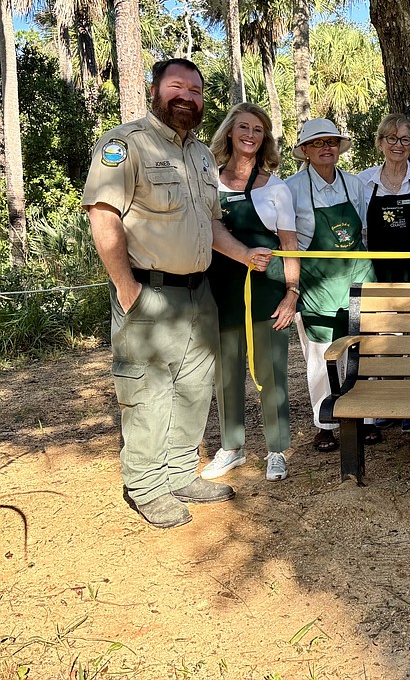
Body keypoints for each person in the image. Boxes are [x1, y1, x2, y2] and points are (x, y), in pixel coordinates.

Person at [83, 58, 273, 529]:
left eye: (195, 89)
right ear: (155, 90)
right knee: (146, 393)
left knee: (192, 391)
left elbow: (210, 226)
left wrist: (246, 254)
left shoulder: (201, 157)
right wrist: (128, 291)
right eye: (176, 86)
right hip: (149, 293)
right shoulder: (125, 144)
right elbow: (103, 218)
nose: (186, 96)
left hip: (198, 293)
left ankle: (181, 472)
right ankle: (147, 487)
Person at [201, 104, 299, 484]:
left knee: (272, 371)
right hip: (221, 290)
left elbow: (289, 245)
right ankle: (232, 446)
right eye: (243, 127)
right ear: (229, 132)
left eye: (258, 130)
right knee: (226, 372)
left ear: (265, 138)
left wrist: (291, 293)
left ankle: (277, 450)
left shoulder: (275, 187)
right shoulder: (210, 182)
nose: (250, 135)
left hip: (267, 289)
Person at [286, 118, 377, 453]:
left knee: (360, 351)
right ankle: (325, 423)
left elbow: (363, 230)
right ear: (306, 151)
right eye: (319, 143)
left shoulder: (355, 184)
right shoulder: (291, 188)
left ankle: (363, 418)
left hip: (357, 276)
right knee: (320, 356)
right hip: (317, 282)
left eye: (332, 142)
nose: (327, 148)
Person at [358, 113, 410, 283]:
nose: (398, 145)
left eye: (405, 140)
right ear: (380, 143)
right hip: (375, 274)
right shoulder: (363, 181)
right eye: (392, 138)